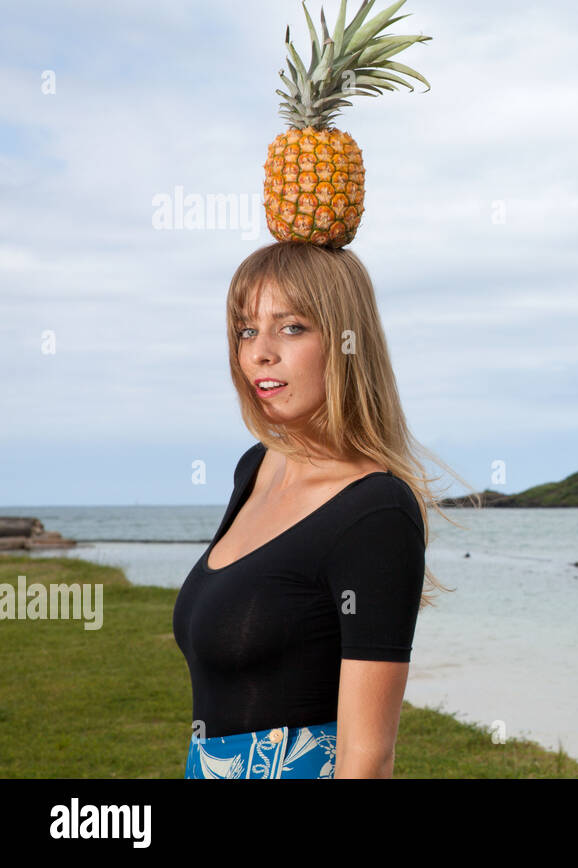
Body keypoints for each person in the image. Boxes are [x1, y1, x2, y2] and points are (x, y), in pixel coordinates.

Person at [172, 241, 479, 778]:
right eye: (246, 330)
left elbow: (366, 759)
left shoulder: (376, 511)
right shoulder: (256, 469)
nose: (260, 352)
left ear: (345, 342)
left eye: (290, 327)